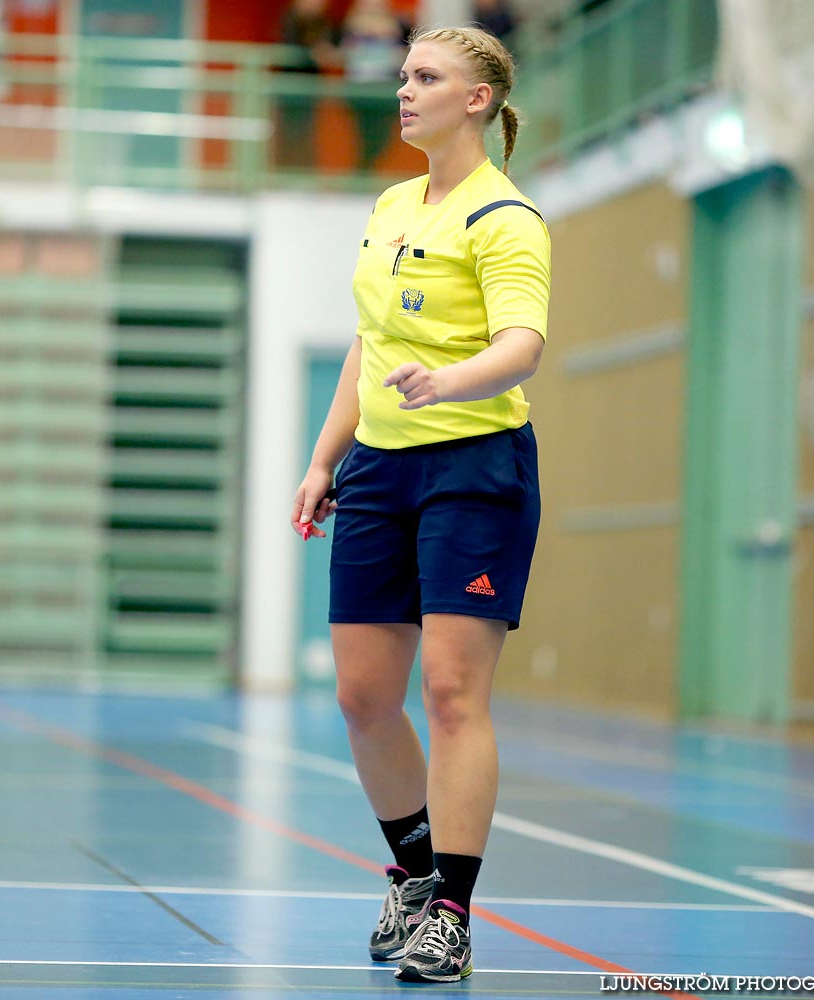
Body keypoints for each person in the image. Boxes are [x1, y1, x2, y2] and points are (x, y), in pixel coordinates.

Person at [290, 24, 550, 984]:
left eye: (426, 78)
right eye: (403, 75)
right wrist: (326, 458)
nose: (404, 90)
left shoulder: (504, 218)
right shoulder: (395, 202)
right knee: (363, 695)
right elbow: (366, 342)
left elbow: (522, 344)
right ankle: (407, 870)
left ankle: (451, 910)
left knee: (449, 692)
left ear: (476, 99)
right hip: (379, 471)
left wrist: (450, 384)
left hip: (472, 468)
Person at [340, 0, 408, 170]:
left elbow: (405, 52)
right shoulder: (352, 27)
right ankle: (363, 171)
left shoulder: (397, 26)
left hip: (384, 88)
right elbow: (345, 52)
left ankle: (365, 170)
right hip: (360, 89)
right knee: (364, 135)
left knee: (383, 136)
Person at [275, 0, 339, 169]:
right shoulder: (290, 20)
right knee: (288, 132)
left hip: (311, 86)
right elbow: (292, 47)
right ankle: (285, 170)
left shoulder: (324, 23)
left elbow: (331, 47)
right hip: (290, 85)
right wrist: (314, 52)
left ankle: (303, 171)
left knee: (307, 133)